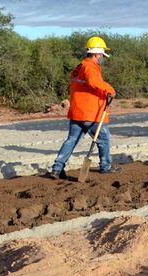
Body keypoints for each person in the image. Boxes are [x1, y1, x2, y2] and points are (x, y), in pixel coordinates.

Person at [49, 36, 119, 179]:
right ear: (97, 54)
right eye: (102, 55)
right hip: (92, 113)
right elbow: (94, 82)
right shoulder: (90, 67)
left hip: (77, 112)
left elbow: (85, 84)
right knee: (104, 139)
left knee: (71, 140)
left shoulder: (79, 67)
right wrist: (110, 90)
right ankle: (106, 166)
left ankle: (57, 168)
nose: (102, 58)